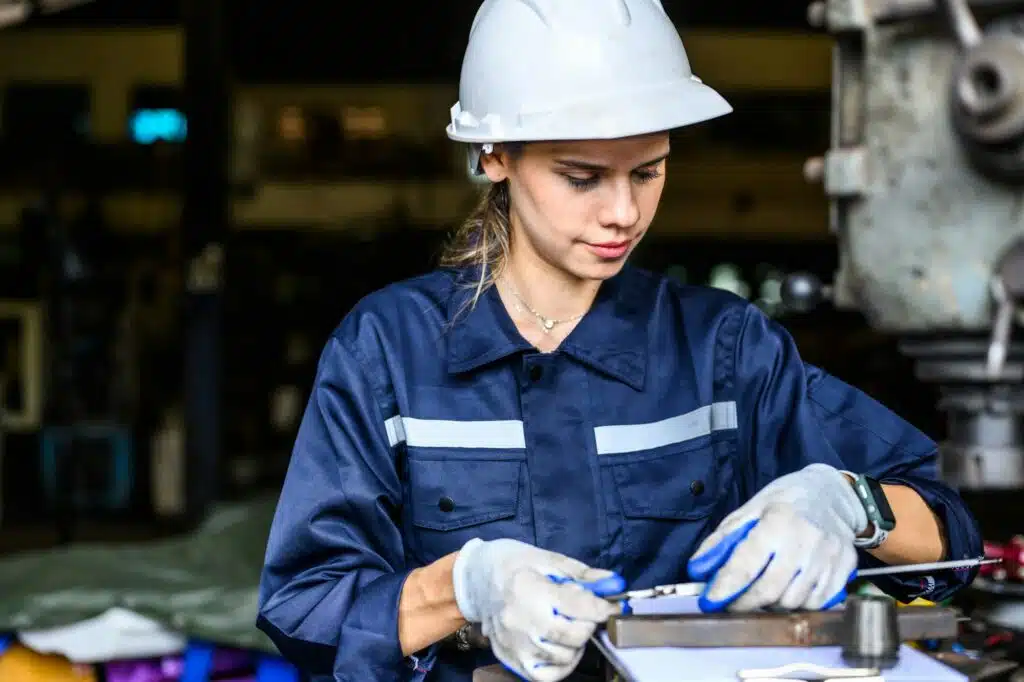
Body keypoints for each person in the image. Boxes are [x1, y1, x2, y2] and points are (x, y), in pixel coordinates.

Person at [256, 1, 983, 681]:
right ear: (493, 156)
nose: (624, 212)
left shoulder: (722, 350)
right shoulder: (389, 352)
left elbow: (950, 533)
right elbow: (307, 604)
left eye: (649, 170)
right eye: (582, 177)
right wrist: (466, 588)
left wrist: (848, 503)